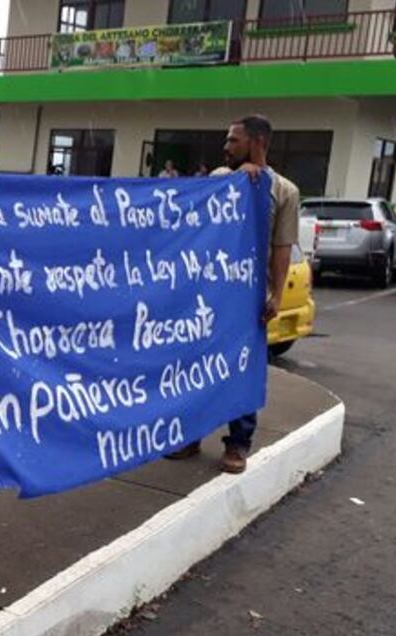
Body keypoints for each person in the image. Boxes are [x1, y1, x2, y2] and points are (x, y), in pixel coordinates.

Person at [167, 114, 298, 474]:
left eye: (233, 140)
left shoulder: (285, 191)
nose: (225, 147)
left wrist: (276, 296)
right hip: (211, 295)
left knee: (242, 366)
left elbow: (281, 248)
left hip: (249, 299)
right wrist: (240, 180)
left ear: (257, 143)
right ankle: (191, 434)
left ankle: (239, 443)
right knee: (199, 364)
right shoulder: (220, 178)